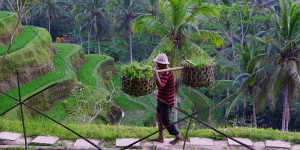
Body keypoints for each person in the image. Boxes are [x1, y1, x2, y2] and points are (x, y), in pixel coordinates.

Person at [151, 53, 183, 145]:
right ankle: (160, 137)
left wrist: (156, 75)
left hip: (166, 101)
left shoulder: (166, 72)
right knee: (158, 116)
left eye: (158, 63)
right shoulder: (163, 70)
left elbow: (161, 86)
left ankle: (178, 135)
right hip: (161, 99)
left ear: (162, 64)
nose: (157, 65)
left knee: (165, 120)